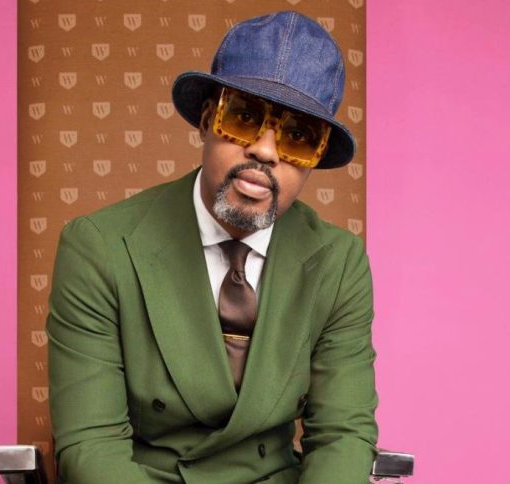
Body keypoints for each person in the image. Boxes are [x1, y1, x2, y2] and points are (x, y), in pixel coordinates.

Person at [46, 11, 378, 484]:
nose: (265, 151)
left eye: (298, 137)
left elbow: (343, 435)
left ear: (315, 159)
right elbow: (91, 444)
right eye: (244, 117)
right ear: (206, 120)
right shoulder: (100, 247)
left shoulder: (339, 263)